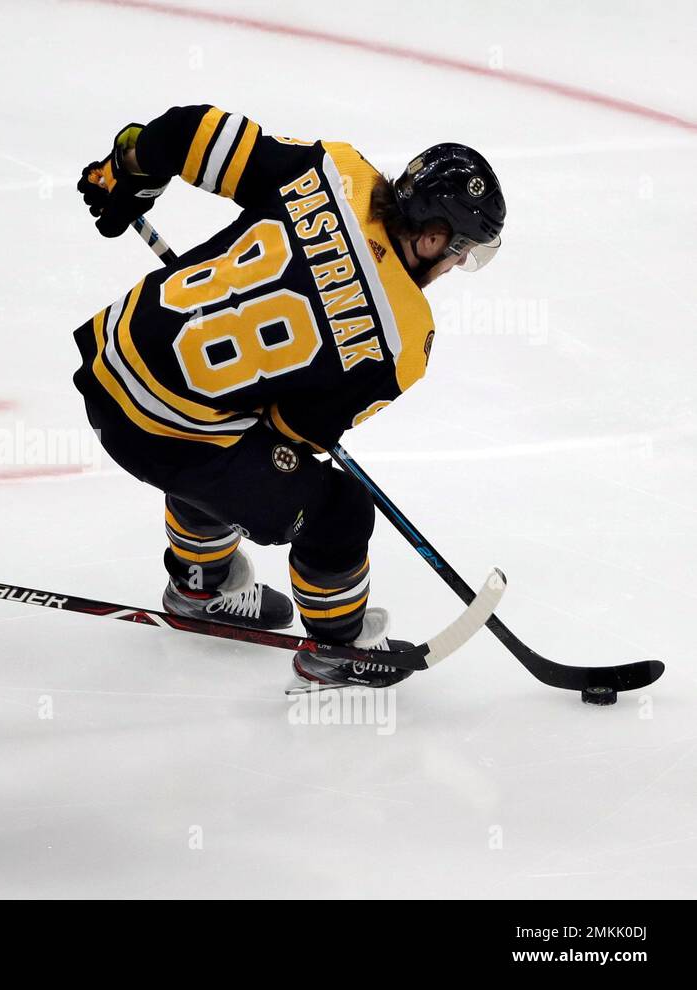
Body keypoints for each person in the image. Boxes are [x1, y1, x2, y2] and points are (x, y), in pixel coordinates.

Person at [74, 104, 505, 688]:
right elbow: (294, 428)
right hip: (160, 435)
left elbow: (188, 132)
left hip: (110, 358)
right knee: (337, 510)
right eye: (462, 252)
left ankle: (203, 584)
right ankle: (339, 646)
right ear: (432, 237)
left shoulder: (337, 170)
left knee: (225, 431)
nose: (456, 265)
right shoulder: (405, 341)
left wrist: (128, 169)